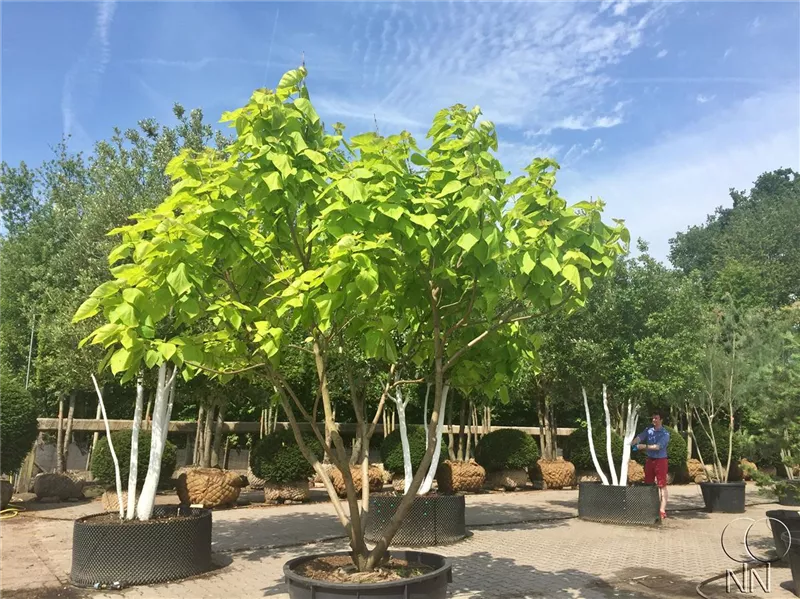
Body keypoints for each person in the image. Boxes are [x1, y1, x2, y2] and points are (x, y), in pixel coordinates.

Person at [631, 409, 670, 519]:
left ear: (661, 419)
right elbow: (640, 437)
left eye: (656, 418)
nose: (654, 420)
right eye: (653, 418)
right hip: (650, 460)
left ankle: (662, 510)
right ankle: (649, 507)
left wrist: (643, 446)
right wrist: (631, 442)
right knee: (648, 484)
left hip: (661, 461)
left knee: (662, 485)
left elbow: (658, 447)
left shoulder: (665, 434)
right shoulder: (649, 430)